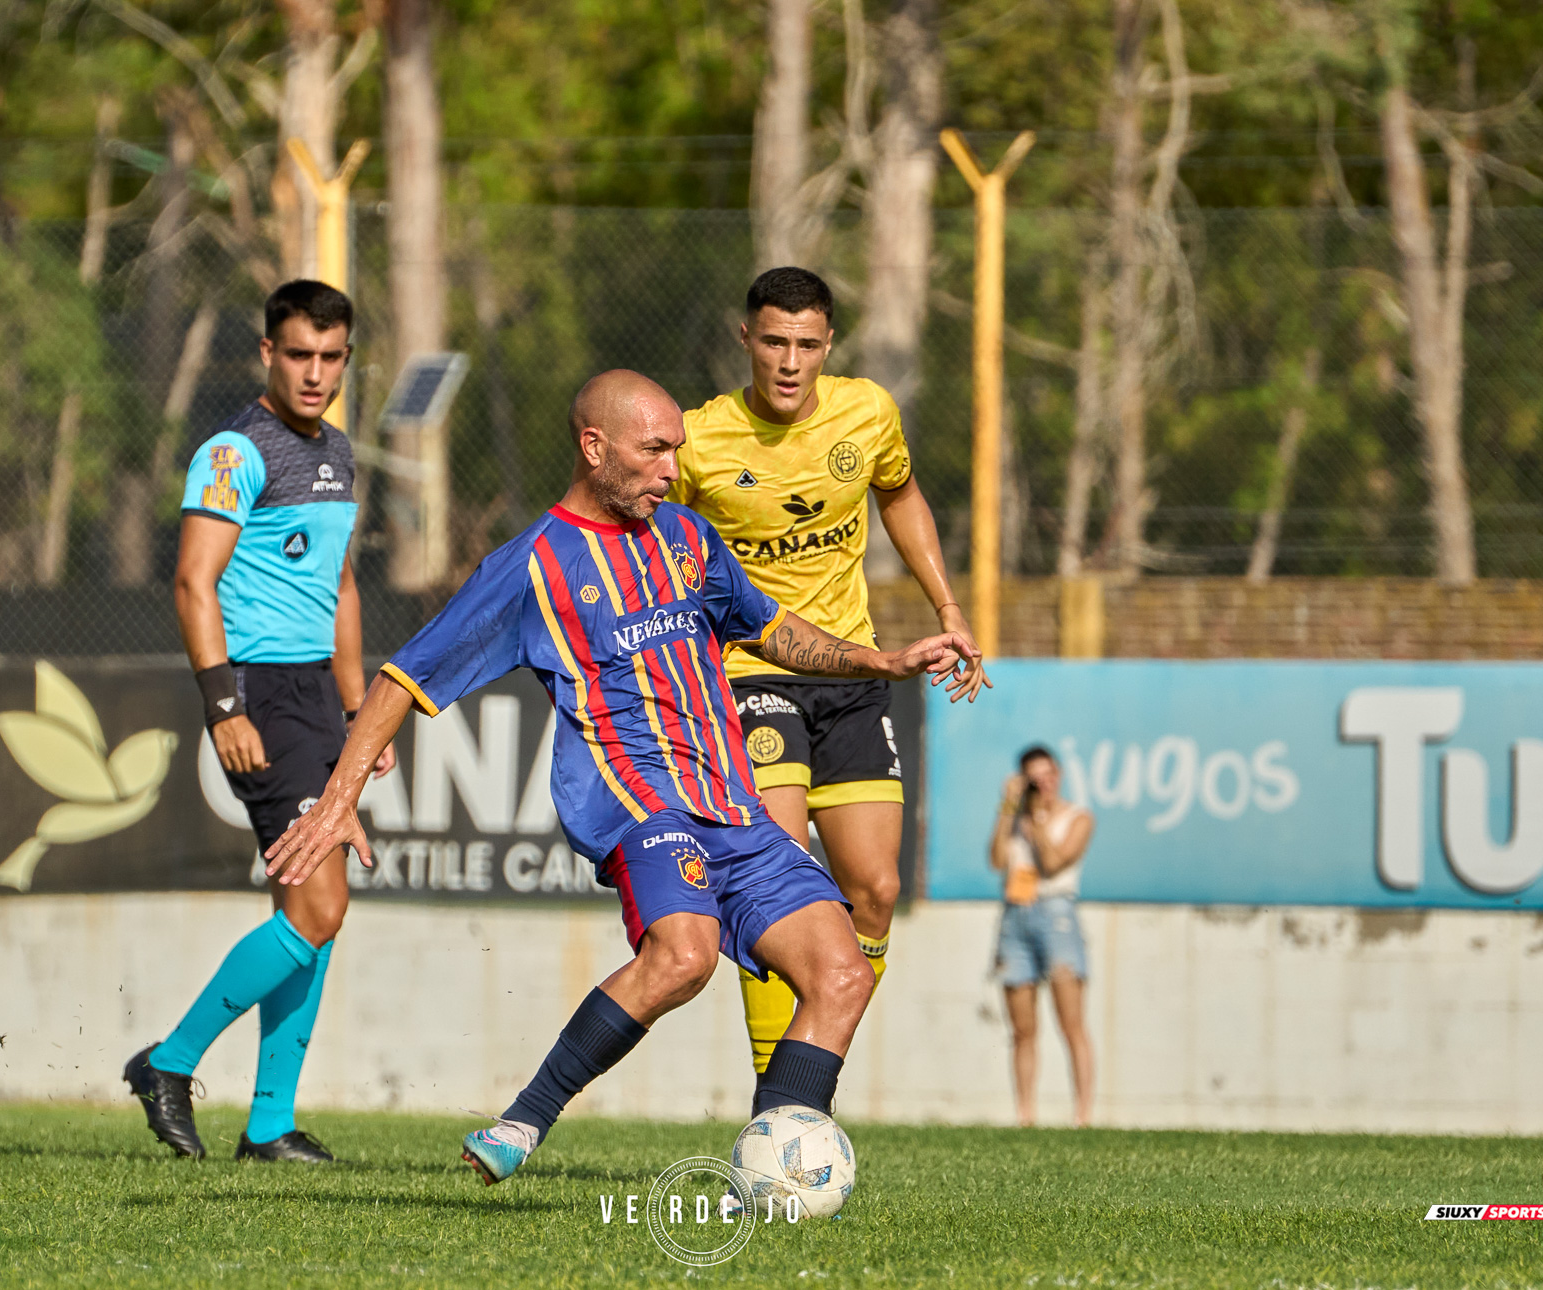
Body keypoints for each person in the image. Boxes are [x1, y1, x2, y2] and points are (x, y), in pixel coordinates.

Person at [263, 369, 979, 1184]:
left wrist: (877, 660)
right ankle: (526, 1119)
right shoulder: (530, 567)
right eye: (654, 450)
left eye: (676, 449)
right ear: (593, 447)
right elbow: (406, 677)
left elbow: (771, 628)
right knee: (685, 953)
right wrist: (338, 800)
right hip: (638, 802)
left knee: (844, 971)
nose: (673, 469)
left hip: (731, 802)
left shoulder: (686, 537)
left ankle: (772, 1169)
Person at [669, 266, 989, 1080]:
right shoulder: (700, 440)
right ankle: (782, 1098)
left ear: (828, 346)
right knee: (779, 875)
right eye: (773, 341)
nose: (788, 361)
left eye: (806, 344)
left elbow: (902, 494)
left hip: (849, 670)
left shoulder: (867, 412)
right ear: (745, 339)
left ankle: (816, 1057)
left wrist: (948, 607)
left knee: (875, 888)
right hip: (746, 673)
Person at [122, 280, 396, 1164]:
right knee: (319, 903)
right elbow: (191, 581)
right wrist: (224, 704)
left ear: (346, 359)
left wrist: (362, 712)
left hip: (318, 696)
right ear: (268, 355)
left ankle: (270, 1125)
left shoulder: (341, 451)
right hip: (261, 695)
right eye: (298, 356)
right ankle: (168, 1063)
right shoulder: (234, 451)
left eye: (331, 357)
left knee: (309, 908)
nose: (315, 374)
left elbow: (341, 586)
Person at [990, 745, 1095, 1127]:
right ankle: (1025, 1113)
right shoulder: (1015, 818)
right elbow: (997, 860)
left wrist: (1034, 820)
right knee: (1022, 1027)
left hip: (1057, 914)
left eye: (1048, 776)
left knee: (1071, 1022)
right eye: (1034, 779)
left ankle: (1082, 1113)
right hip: (1016, 914)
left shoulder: (1078, 817)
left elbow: (1052, 863)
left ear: (1059, 774)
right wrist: (1007, 808)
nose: (1043, 785)